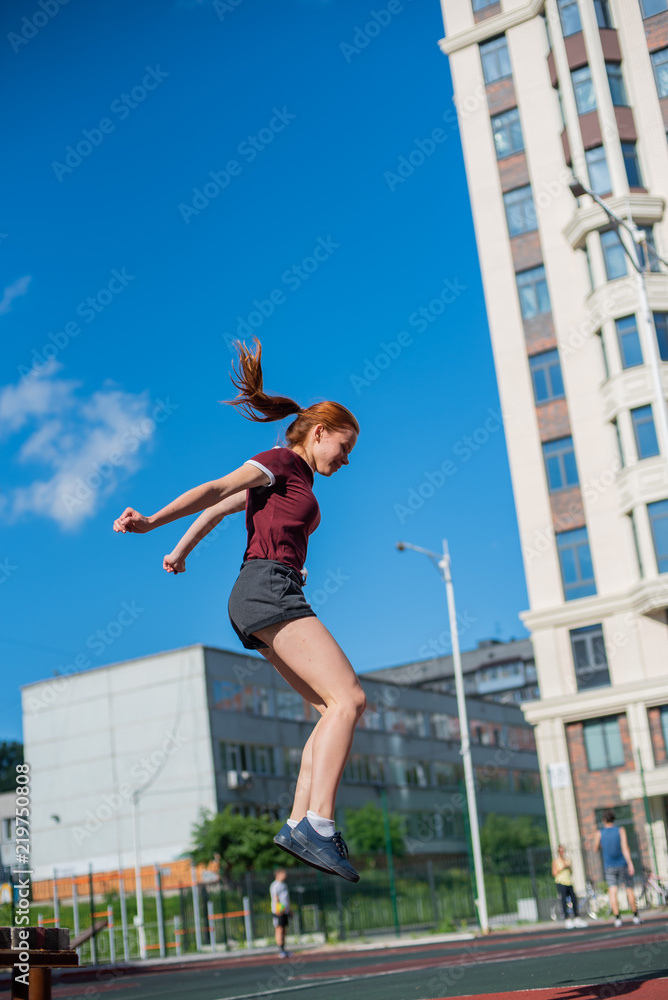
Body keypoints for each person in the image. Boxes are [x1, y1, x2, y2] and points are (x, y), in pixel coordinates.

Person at [113, 338, 364, 882]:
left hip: (263, 594)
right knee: (350, 698)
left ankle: (300, 822)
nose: (345, 460)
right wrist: (152, 523)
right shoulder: (278, 463)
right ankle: (319, 824)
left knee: (330, 709)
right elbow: (217, 487)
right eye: (342, 448)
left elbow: (224, 509)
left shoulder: (288, 481)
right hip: (268, 589)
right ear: (318, 433)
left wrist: (180, 550)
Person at [593, 810, 641, 927]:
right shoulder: (620, 830)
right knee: (629, 889)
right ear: (613, 819)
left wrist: (601, 845)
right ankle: (635, 916)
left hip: (609, 866)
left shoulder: (600, 833)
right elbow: (625, 848)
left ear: (604, 820)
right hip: (622, 864)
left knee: (612, 891)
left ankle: (617, 918)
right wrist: (630, 863)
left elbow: (595, 848)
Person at [551, 845, 587, 929]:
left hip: (569, 882)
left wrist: (568, 867)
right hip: (561, 882)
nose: (562, 852)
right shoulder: (556, 861)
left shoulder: (568, 860)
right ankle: (567, 919)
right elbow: (554, 873)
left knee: (574, 899)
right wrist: (562, 868)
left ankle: (577, 918)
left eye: (563, 851)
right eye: (560, 851)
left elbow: (571, 871)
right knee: (564, 900)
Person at [270, 868, 292, 958]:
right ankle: (281, 950)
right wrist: (278, 909)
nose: (285, 875)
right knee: (279, 929)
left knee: (284, 930)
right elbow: (276, 898)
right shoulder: (275, 885)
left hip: (285, 911)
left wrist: (289, 910)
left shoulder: (284, 885)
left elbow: (286, 899)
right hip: (279, 912)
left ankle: (284, 949)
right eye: (283, 873)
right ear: (278, 874)